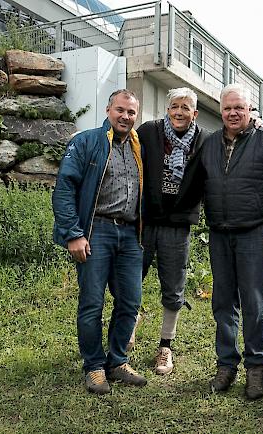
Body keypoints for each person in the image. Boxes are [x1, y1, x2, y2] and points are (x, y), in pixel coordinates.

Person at [199, 83, 263, 400]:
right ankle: (226, 365)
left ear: (250, 110)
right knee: (222, 302)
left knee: (254, 304)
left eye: (239, 107)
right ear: (220, 109)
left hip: (256, 233)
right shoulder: (211, 142)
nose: (232, 113)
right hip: (220, 232)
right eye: (228, 108)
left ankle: (255, 368)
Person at [52, 89, 147, 395]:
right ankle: (94, 366)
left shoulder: (137, 146)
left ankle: (117, 361)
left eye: (131, 112)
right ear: (108, 110)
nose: (125, 116)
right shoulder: (86, 141)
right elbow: (65, 188)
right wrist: (73, 233)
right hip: (96, 232)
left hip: (131, 235)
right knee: (92, 303)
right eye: (120, 110)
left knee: (130, 302)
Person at [127, 87, 209, 376]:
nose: (178, 112)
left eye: (185, 107)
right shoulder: (149, 131)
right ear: (167, 109)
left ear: (194, 113)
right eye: (174, 106)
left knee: (174, 287)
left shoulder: (204, 140)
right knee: (131, 277)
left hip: (178, 225)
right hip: (145, 220)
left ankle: (165, 346)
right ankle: (129, 325)